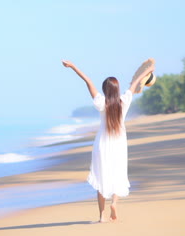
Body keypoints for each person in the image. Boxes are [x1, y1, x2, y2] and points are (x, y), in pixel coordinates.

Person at [62, 59, 155, 223]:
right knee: (118, 173)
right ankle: (114, 204)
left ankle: (101, 216)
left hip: (102, 144)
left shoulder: (101, 102)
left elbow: (88, 81)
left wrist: (74, 67)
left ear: (105, 90)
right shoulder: (124, 101)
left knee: (101, 178)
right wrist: (148, 70)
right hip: (119, 143)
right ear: (117, 89)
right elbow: (135, 83)